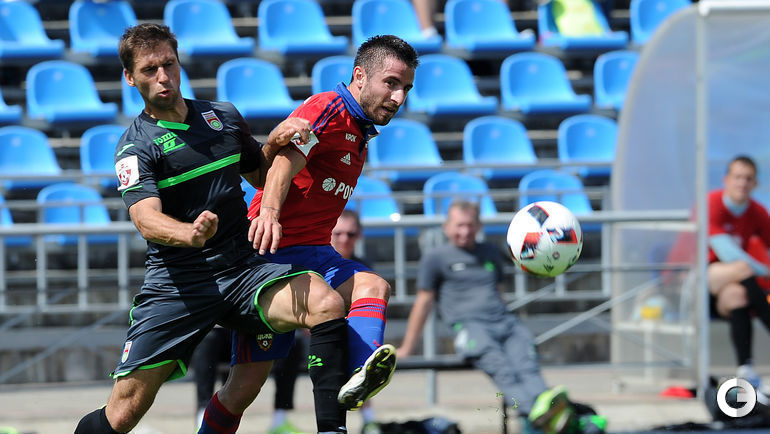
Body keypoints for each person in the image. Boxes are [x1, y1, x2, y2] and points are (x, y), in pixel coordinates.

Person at [75, 23, 352, 434]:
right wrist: (189, 234)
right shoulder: (135, 147)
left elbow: (260, 176)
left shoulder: (222, 116)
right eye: (150, 69)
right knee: (123, 413)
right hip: (179, 286)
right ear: (130, 77)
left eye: (169, 64)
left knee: (325, 304)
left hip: (243, 271)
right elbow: (145, 219)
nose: (163, 76)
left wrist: (273, 143)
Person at [245, 34, 419, 412]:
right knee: (241, 390)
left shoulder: (359, 131)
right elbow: (281, 164)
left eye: (406, 88)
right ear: (360, 76)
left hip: (315, 253)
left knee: (374, 285)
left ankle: (360, 373)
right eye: (391, 83)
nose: (398, 98)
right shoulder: (328, 109)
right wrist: (269, 213)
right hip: (269, 253)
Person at [396, 200, 607, 434]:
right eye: (459, 225)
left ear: (478, 226)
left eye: (469, 225)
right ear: (447, 227)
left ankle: (549, 413)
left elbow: (498, 292)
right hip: (471, 327)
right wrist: (407, 348)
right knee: (503, 370)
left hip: (504, 322)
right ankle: (552, 417)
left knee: (526, 366)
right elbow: (423, 302)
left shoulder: (490, 252)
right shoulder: (435, 258)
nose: (464, 231)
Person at [707, 155, 770, 392]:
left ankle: (746, 369)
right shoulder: (711, 203)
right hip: (697, 279)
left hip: (730, 285)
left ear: (755, 183)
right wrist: (765, 271)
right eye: (738, 177)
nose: (742, 183)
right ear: (726, 180)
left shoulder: (757, 211)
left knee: (737, 296)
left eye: (748, 178)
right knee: (742, 267)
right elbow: (727, 253)